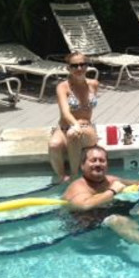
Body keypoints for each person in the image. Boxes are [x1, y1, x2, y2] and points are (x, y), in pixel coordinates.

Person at [63, 145, 139, 255]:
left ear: (107, 165)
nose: (98, 164)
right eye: (93, 160)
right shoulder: (78, 187)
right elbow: (85, 205)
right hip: (86, 224)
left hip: (106, 212)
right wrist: (113, 191)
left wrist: (138, 187)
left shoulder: (111, 180)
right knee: (115, 220)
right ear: (82, 165)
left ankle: (130, 227)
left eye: (102, 160)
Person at [49, 52, 99, 182]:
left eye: (82, 64)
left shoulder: (93, 84)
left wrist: (77, 127)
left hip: (86, 126)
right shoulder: (63, 87)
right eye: (74, 65)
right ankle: (61, 177)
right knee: (54, 145)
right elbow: (65, 112)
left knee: (73, 135)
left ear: (87, 66)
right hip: (64, 126)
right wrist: (74, 124)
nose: (79, 68)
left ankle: (74, 175)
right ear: (68, 68)